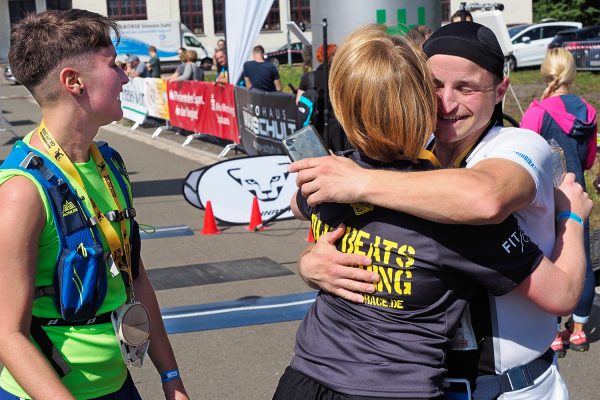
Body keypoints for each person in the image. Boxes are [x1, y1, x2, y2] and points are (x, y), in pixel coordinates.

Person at [274, 24, 590, 400]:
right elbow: (303, 204)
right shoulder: (402, 149)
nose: (446, 103)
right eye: (433, 86)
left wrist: (570, 216)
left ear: (501, 91)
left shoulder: (519, 144)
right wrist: (310, 262)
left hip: (506, 388)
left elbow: (484, 198)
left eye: (466, 89)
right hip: (401, 383)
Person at [0, 9, 189, 400]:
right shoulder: (22, 190)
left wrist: (171, 377)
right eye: (114, 66)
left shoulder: (109, 164)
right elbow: (8, 335)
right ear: (73, 82)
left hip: (119, 385)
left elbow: (134, 276)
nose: (125, 77)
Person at [520, 47, 598, 357]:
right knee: (582, 258)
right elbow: (589, 159)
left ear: (545, 72)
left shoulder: (537, 112)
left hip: (547, 200)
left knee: (549, 259)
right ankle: (578, 331)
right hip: (579, 196)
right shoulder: (588, 111)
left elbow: (523, 160)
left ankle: (552, 333)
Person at [296, 44, 351, 152]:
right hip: (339, 128)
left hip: (316, 127)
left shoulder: (309, 77)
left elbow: (299, 101)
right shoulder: (342, 77)